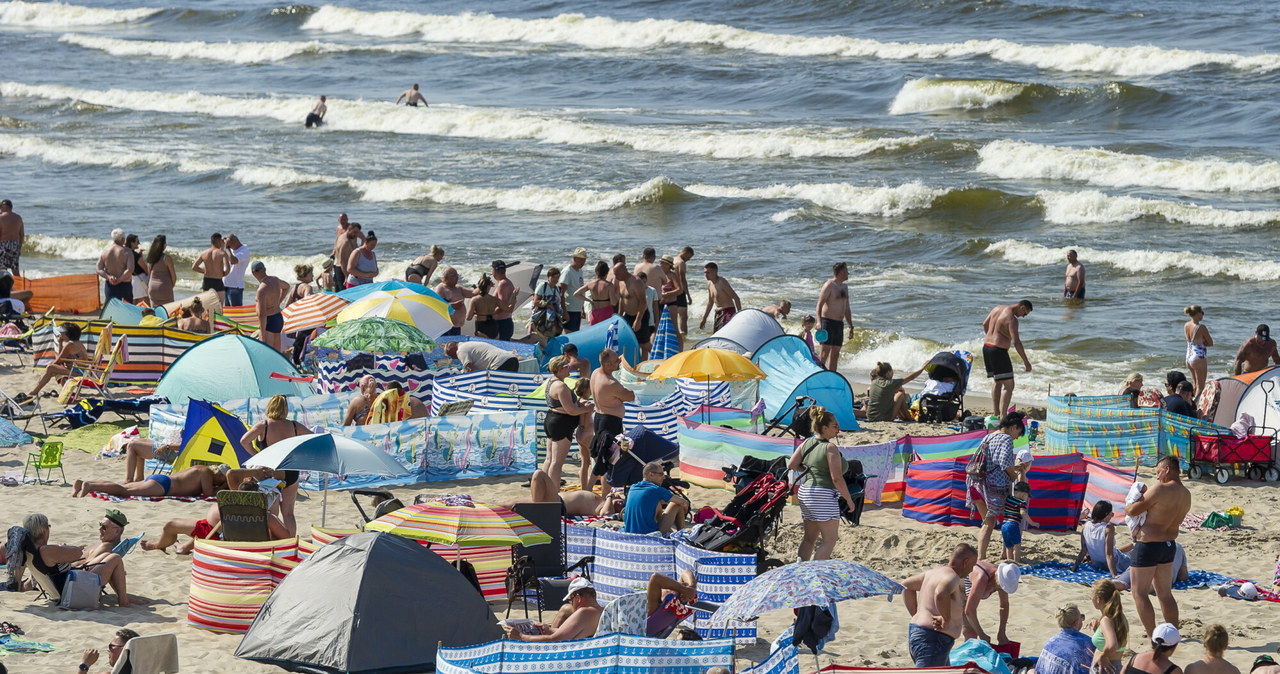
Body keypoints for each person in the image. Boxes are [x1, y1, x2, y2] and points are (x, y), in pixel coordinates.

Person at [1125, 454, 1192, 637]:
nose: (1157, 476)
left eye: (1158, 472)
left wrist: (1130, 502)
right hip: (1169, 546)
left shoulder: (1161, 489)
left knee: (1139, 593)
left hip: (1148, 546)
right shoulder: (1186, 494)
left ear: (1167, 469)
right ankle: (1173, 635)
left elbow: (1132, 511)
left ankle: (1153, 636)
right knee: (1165, 594)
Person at [21, 513, 144, 607]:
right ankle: (124, 601)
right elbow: (78, 554)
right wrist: (62, 548)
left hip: (63, 589)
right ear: (44, 531)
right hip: (72, 592)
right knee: (115, 558)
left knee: (107, 556)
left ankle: (123, 597)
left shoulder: (31, 551)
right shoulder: (46, 551)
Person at [787, 405, 855, 561]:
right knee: (830, 540)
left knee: (809, 539)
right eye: (834, 426)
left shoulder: (806, 443)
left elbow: (791, 464)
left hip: (806, 492)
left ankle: (800, 570)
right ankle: (814, 573)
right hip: (822, 495)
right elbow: (836, 478)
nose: (838, 429)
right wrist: (849, 500)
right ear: (824, 428)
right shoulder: (830, 448)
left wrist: (809, 470)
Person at [240, 394, 308, 535]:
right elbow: (313, 438)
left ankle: (276, 543)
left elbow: (244, 441)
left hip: (270, 472)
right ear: (285, 409)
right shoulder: (294, 426)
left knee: (273, 513)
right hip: (290, 470)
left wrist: (257, 456)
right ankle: (290, 542)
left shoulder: (263, 425)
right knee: (289, 513)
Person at [901, 544, 978, 667]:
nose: (971, 570)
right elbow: (941, 593)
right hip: (933, 639)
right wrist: (946, 619)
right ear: (966, 562)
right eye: (972, 566)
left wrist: (917, 614)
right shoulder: (952, 576)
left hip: (920, 633)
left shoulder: (933, 572)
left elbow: (906, 586)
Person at [968, 411, 1024, 560]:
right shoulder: (1006, 438)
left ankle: (981, 557)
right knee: (1009, 520)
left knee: (987, 522)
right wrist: (1013, 476)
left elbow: (991, 459)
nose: (1016, 437)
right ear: (1013, 427)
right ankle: (1003, 555)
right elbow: (1004, 462)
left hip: (975, 484)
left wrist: (1014, 467)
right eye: (1018, 433)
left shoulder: (989, 436)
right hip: (991, 488)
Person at [584, 348, 634, 490]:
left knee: (601, 460)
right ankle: (604, 496)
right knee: (609, 462)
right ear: (607, 364)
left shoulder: (595, 373)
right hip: (610, 422)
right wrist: (628, 391)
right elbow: (630, 396)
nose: (619, 362)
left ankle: (587, 490)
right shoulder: (610, 383)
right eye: (616, 361)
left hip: (599, 418)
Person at [542, 356, 594, 486]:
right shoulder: (561, 386)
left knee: (549, 459)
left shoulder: (550, 381)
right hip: (561, 424)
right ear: (560, 369)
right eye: (566, 366)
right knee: (557, 462)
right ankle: (553, 492)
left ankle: (543, 487)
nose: (569, 368)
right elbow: (571, 410)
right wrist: (586, 409)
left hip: (552, 420)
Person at [503, 576, 602, 642]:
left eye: (571, 600)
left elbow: (554, 640)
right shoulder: (601, 611)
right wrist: (550, 629)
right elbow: (572, 632)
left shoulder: (584, 613)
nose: (571, 604)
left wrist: (520, 636)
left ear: (578, 598)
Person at [982, 300, 1033, 416]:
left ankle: (996, 413)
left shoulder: (997, 308)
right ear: (1022, 307)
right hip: (998, 351)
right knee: (1009, 385)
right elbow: (1016, 341)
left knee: (998, 381)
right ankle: (1003, 416)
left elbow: (985, 324)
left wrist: (991, 337)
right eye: (1025, 314)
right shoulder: (1012, 319)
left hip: (986, 347)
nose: (1023, 317)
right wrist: (1026, 362)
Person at [501, 469, 623, 517]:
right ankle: (483, 507)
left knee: (539, 474)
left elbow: (605, 513)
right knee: (509, 505)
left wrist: (609, 496)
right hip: (554, 499)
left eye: (621, 506)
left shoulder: (605, 506)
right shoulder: (604, 501)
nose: (620, 503)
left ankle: (536, 510)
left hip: (557, 504)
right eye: (622, 502)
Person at [16, 322, 88, 402]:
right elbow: (61, 359)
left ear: (68, 334)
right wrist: (60, 343)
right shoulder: (75, 343)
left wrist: (47, 369)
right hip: (78, 371)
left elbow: (58, 361)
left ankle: (35, 391)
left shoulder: (69, 345)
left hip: (78, 373)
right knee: (51, 366)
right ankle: (37, 390)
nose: (60, 334)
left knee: (51, 367)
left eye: (62, 332)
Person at [73, 464, 228, 498]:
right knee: (124, 491)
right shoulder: (206, 473)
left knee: (122, 486)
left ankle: (83, 483)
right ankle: (90, 485)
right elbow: (209, 494)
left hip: (161, 480)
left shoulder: (200, 468)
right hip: (163, 486)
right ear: (220, 475)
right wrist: (225, 486)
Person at [961, 560, 1019, 644]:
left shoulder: (1005, 579)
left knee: (972, 631)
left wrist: (1002, 632)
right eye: (1002, 586)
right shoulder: (981, 578)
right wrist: (982, 635)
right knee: (970, 632)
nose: (1003, 589)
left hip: (968, 595)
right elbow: (969, 611)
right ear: (997, 577)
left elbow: (1004, 605)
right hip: (954, 589)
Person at [624, 461, 689, 535]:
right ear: (651, 474)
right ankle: (682, 534)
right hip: (648, 535)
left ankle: (675, 531)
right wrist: (685, 508)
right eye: (661, 474)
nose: (663, 477)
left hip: (630, 534)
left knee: (655, 502)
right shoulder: (656, 489)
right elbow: (683, 502)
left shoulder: (633, 488)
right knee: (677, 504)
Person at [1072, 501, 1132, 580]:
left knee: (1130, 547)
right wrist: (1114, 575)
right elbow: (1109, 554)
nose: (1112, 516)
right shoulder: (1108, 528)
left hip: (1099, 564)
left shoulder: (1085, 526)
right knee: (1135, 551)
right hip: (1118, 563)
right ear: (1106, 514)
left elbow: (1083, 550)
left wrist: (1074, 567)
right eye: (1111, 513)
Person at [815, 262, 854, 372]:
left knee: (835, 354)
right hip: (827, 322)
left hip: (839, 324)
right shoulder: (830, 285)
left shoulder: (845, 288)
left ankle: (831, 377)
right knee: (824, 354)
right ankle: (818, 376)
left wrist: (851, 326)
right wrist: (819, 322)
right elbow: (819, 304)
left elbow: (847, 308)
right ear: (841, 272)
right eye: (846, 270)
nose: (848, 273)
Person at [1036, 604, 1096, 674]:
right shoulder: (1086, 644)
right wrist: (1097, 632)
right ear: (1076, 623)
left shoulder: (1050, 642)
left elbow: (1038, 670)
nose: (1082, 620)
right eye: (1081, 617)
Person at [1088, 579, 1129, 674]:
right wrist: (1098, 629)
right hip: (1116, 666)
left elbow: (1112, 645)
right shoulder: (1120, 616)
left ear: (1099, 599)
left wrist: (1103, 657)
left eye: (1091, 596)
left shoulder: (1106, 620)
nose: (1091, 599)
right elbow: (1114, 638)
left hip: (1103, 668)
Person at [251, 261, 289, 351]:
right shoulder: (275, 280)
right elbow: (286, 286)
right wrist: (278, 302)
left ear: (254, 273)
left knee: (268, 352)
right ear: (265, 269)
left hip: (269, 320)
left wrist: (262, 333)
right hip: (278, 317)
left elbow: (262, 313)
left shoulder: (262, 289)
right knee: (276, 352)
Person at [192, 232, 235, 305]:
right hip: (218, 281)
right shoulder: (222, 253)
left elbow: (194, 267)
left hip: (207, 281)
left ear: (211, 241)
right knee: (219, 306)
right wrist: (223, 274)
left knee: (206, 306)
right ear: (219, 241)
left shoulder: (204, 253)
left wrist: (204, 271)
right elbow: (228, 269)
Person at [615, 263, 650, 354]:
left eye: (617, 274)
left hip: (640, 315)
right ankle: (636, 365)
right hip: (628, 316)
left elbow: (643, 302)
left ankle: (663, 358)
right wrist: (619, 316)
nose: (615, 277)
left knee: (645, 345)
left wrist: (638, 320)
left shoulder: (636, 282)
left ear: (623, 271)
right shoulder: (621, 282)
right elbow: (622, 299)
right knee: (629, 342)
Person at [433, 267, 478, 337]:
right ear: (446, 277)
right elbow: (436, 306)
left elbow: (473, 293)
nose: (457, 277)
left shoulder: (458, 288)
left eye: (457, 275)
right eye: (454, 275)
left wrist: (483, 287)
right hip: (446, 328)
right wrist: (452, 305)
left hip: (457, 327)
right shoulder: (441, 289)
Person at [286, 264, 316, 365]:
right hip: (305, 318)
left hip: (297, 318)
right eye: (311, 274)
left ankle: (295, 362)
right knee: (306, 341)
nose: (313, 275)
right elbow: (308, 302)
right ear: (305, 275)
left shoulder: (294, 287)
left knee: (298, 342)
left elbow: (287, 304)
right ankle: (302, 363)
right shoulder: (308, 287)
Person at [698, 262, 741, 332]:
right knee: (716, 334)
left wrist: (739, 315)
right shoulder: (709, 284)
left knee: (723, 334)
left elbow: (736, 298)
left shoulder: (722, 282)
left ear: (715, 271)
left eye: (708, 272)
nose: (705, 275)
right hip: (718, 313)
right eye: (704, 273)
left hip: (728, 311)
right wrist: (704, 319)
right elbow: (710, 302)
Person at [574, 260, 618, 326]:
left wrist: (589, 300)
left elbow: (576, 294)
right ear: (607, 272)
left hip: (594, 312)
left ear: (596, 272)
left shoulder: (590, 284)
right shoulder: (609, 285)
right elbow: (613, 302)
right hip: (606, 312)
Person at [1001, 481, 1035, 563]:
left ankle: (1009, 561)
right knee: (1017, 546)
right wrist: (1032, 522)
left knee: (1009, 546)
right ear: (1024, 494)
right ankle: (1016, 562)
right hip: (1013, 525)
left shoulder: (1008, 499)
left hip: (1004, 524)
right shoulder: (1022, 502)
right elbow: (1023, 513)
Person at [96, 228, 133, 303]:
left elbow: (98, 269)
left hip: (110, 284)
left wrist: (108, 277)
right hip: (124, 284)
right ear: (123, 239)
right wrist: (119, 280)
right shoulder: (127, 251)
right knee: (126, 309)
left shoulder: (105, 250)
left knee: (111, 310)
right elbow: (130, 269)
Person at [1184, 305, 1212, 399]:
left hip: (1189, 356)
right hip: (1199, 357)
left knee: (1195, 384)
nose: (1202, 315)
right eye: (1202, 313)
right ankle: (1196, 407)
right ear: (1198, 313)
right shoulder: (1201, 327)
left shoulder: (1186, 325)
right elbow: (1210, 343)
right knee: (1201, 386)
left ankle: (1190, 402)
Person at [531, 267, 567, 340]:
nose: (555, 280)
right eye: (553, 277)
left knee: (553, 338)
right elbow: (535, 301)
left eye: (557, 277)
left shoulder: (558, 289)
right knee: (540, 338)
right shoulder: (542, 286)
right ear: (548, 277)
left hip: (554, 319)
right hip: (541, 318)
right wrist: (548, 305)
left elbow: (559, 303)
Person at [444, 339, 520, 372]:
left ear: (453, 348)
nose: (452, 358)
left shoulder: (460, 350)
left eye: (450, 354)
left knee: (496, 389)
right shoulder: (469, 344)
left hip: (499, 363)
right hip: (512, 359)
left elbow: (470, 370)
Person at [144, 234, 176, 306]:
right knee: (168, 311)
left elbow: (149, 275)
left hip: (152, 287)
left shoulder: (150, 258)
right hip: (164, 287)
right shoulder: (166, 258)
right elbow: (173, 276)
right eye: (165, 243)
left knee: (155, 311)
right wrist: (171, 286)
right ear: (163, 245)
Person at [562, 247, 588, 333]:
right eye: (581, 260)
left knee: (576, 334)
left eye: (584, 260)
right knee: (569, 335)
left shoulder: (580, 271)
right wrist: (564, 311)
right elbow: (561, 293)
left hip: (577, 309)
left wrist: (582, 308)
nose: (583, 262)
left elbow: (580, 290)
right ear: (574, 258)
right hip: (569, 309)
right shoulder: (567, 271)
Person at [491, 260, 517, 341]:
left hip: (502, 323)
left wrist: (488, 314)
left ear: (494, 271)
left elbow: (502, 306)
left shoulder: (502, 284)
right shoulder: (507, 282)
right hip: (505, 322)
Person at [671, 247, 694, 340]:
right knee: (683, 316)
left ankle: (674, 335)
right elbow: (682, 279)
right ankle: (684, 337)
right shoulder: (681, 263)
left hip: (671, 290)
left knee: (673, 315)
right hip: (680, 291)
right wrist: (688, 295)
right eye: (689, 257)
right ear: (685, 253)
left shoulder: (672, 260)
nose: (689, 259)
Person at [331, 221, 362, 289]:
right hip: (342, 271)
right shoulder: (345, 242)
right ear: (349, 229)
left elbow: (363, 237)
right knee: (343, 295)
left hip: (345, 269)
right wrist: (346, 277)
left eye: (358, 233)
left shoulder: (350, 236)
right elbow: (343, 262)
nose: (356, 235)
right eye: (355, 232)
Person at [223, 234, 250, 307]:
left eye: (230, 244)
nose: (229, 246)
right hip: (226, 285)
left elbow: (233, 261)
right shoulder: (231, 250)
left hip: (235, 287)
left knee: (236, 314)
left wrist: (227, 247)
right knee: (227, 313)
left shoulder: (244, 251)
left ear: (235, 241)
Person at [0, 199, 24, 275]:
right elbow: (22, 235)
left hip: (4, 244)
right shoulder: (18, 218)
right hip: (15, 245)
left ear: (4, 207)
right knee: (15, 270)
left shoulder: (1, 217)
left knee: (2, 270)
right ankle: (19, 285)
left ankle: (4, 286)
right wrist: (19, 248)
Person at [125, 234, 149, 301]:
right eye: (137, 242)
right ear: (132, 243)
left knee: (135, 300)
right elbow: (146, 269)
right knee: (146, 299)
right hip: (141, 280)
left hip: (133, 279)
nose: (139, 243)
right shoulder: (136, 256)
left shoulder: (126, 252)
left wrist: (139, 254)